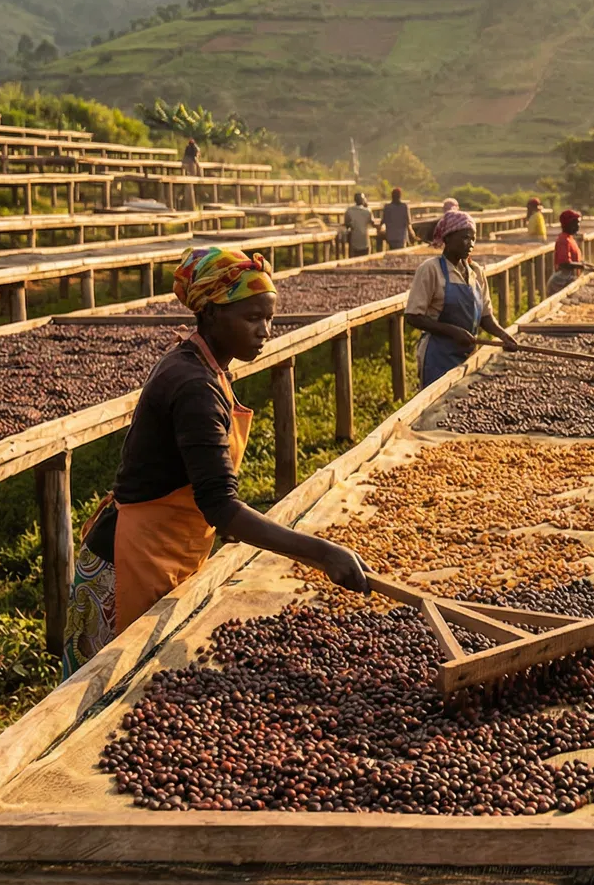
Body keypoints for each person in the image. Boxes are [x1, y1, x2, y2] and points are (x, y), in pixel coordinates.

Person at [62, 246, 370, 678]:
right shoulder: (194, 386)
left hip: (166, 545)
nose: (264, 331)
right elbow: (221, 507)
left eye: (269, 318)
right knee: (103, 689)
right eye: (252, 318)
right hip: (129, 562)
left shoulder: (204, 367)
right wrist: (322, 553)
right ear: (209, 313)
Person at [405, 207, 518, 386]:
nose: (470, 243)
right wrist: (452, 331)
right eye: (465, 238)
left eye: (473, 238)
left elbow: (485, 317)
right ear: (448, 238)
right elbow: (413, 316)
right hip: (438, 355)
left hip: (468, 354)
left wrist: (503, 335)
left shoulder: (476, 272)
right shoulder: (431, 269)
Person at [547, 209, 586, 294]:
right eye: (576, 223)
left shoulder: (570, 238)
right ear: (569, 224)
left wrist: (581, 264)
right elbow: (564, 263)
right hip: (561, 282)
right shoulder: (563, 240)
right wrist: (581, 265)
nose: (578, 225)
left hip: (569, 279)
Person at [343, 192, 373, 258]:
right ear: (363, 200)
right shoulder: (367, 211)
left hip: (354, 241)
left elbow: (346, 223)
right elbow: (371, 222)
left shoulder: (349, 210)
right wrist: (366, 205)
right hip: (365, 241)